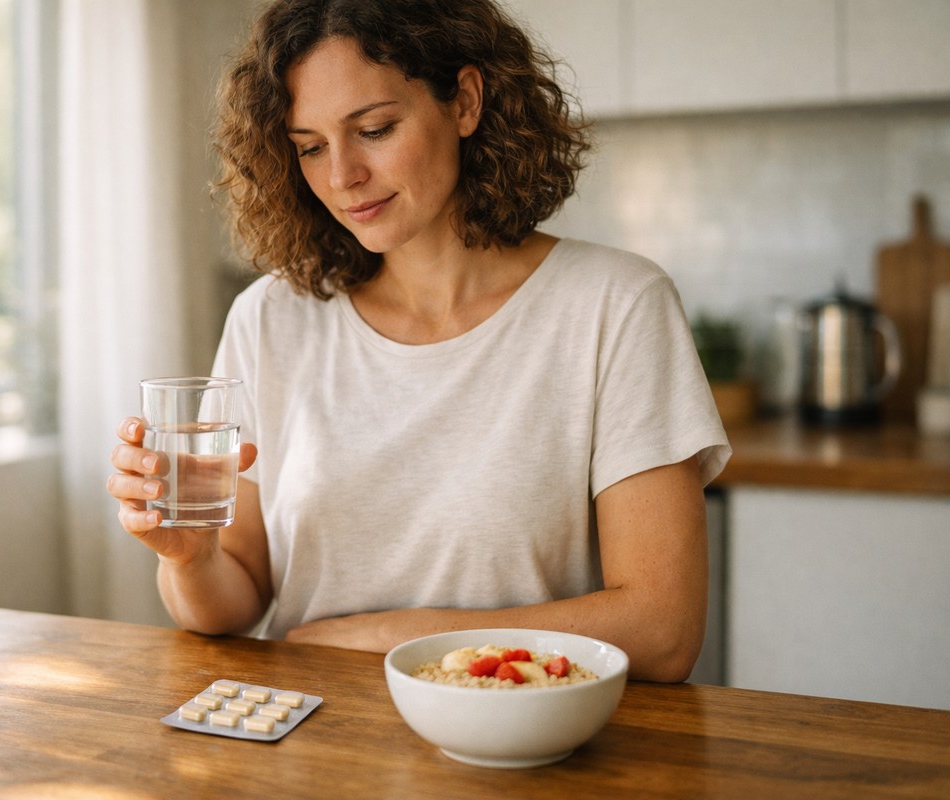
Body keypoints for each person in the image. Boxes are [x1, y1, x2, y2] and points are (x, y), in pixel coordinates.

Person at [107, 0, 730, 682]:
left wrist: (384, 639)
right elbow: (234, 601)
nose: (342, 176)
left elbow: (663, 631)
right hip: (314, 745)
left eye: (373, 129)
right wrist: (190, 560)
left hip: (521, 749)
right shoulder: (269, 319)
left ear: (465, 102)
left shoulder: (615, 306)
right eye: (310, 146)